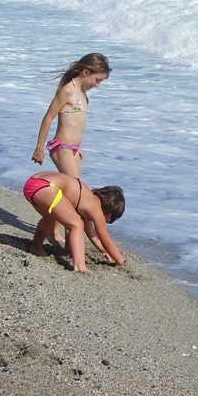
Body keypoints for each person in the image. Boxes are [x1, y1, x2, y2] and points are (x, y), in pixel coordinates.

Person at [31, 53, 111, 242]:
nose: (97, 85)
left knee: (69, 191)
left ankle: (57, 229)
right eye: (97, 80)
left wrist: (78, 147)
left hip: (73, 149)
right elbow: (48, 117)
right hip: (61, 147)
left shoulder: (83, 95)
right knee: (75, 193)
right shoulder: (68, 90)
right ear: (86, 71)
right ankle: (67, 234)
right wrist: (39, 148)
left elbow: (75, 124)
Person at [23, 172, 125, 271]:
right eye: (109, 219)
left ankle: (36, 246)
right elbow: (105, 239)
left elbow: (92, 233)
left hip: (32, 183)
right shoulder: (97, 211)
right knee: (76, 225)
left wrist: (103, 250)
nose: (105, 221)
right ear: (110, 212)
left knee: (49, 219)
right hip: (46, 187)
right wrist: (119, 260)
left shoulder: (89, 201)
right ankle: (80, 266)